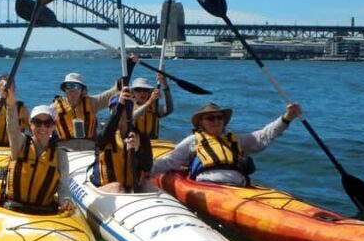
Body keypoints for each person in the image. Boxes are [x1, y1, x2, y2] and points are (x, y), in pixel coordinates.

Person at [150, 101, 302, 186]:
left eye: (219, 117)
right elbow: (169, 162)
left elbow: (263, 136)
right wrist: (141, 173)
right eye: (210, 118)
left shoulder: (236, 139)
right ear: (201, 123)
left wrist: (287, 117)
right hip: (208, 187)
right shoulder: (193, 141)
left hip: (239, 188)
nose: (216, 121)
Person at [0, 82, 75, 213]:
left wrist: (65, 200)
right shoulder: (21, 143)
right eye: (38, 123)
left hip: (43, 210)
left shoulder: (60, 155)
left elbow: (63, 187)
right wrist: (11, 104)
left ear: (54, 126)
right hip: (12, 206)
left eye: (47, 123)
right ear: (31, 125)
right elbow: (12, 128)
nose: (43, 128)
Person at [51, 54, 138, 141]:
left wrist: (129, 66)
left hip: (89, 147)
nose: (72, 90)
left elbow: (116, 89)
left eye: (76, 86)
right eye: (68, 86)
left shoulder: (92, 103)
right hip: (64, 147)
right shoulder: (54, 107)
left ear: (82, 90)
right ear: (64, 89)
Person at [90, 88, 154, 192]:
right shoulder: (101, 133)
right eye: (118, 110)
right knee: (117, 187)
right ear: (112, 112)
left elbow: (147, 167)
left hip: (131, 187)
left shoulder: (141, 137)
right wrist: (119, 105)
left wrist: (138, 149)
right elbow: (102, 138)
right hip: (107, 188)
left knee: (146, 184)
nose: (122, 113)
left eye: (126, 109)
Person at [129, 75, 174, 139]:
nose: (142, 93)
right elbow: (132, 117)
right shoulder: (128, 107)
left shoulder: (154, 107)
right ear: (133, 92)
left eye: (145, 90)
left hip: (152, 143)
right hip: (134, 143)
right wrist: (150, 101)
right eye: (138, 90)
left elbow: (169, 109)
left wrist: (165, 85)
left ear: (149, 92)